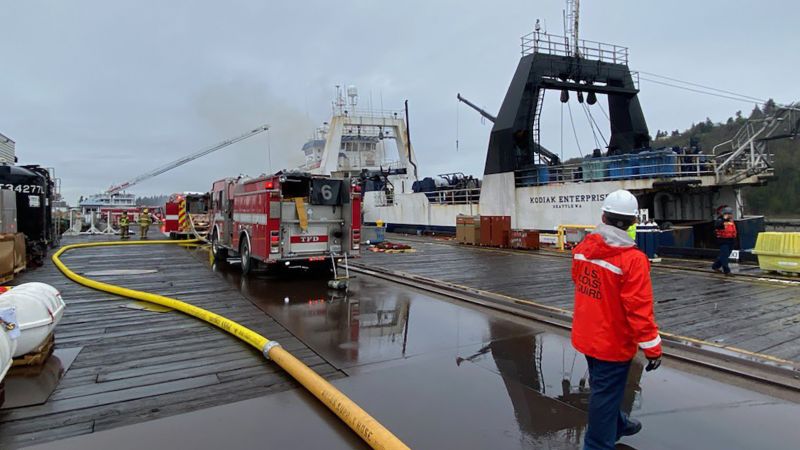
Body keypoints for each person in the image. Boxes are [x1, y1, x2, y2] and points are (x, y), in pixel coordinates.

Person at [571, 189, 662, 450]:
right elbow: (639, 310)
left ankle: (619, 424)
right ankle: (598, 444)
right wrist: (652, 349)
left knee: (603, 386)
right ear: (634, 222)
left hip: (586, 335)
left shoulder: (582, 249)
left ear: (603, 216)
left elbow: (578, 280)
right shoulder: (633, 260)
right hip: (612, 344)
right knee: (604, 393)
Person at [712, 206, 737, 276]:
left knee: (725, 255)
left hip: (731, 240)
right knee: (725, 256)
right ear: (725, 214)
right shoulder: (720, 220)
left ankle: (715, 266)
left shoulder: (731, 221)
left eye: (731, 214)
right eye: (729, 214)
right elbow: (717, 225)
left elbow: (733, 231)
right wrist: (723, 219)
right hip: (723, 241)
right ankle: (727, 271)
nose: (731, 215)